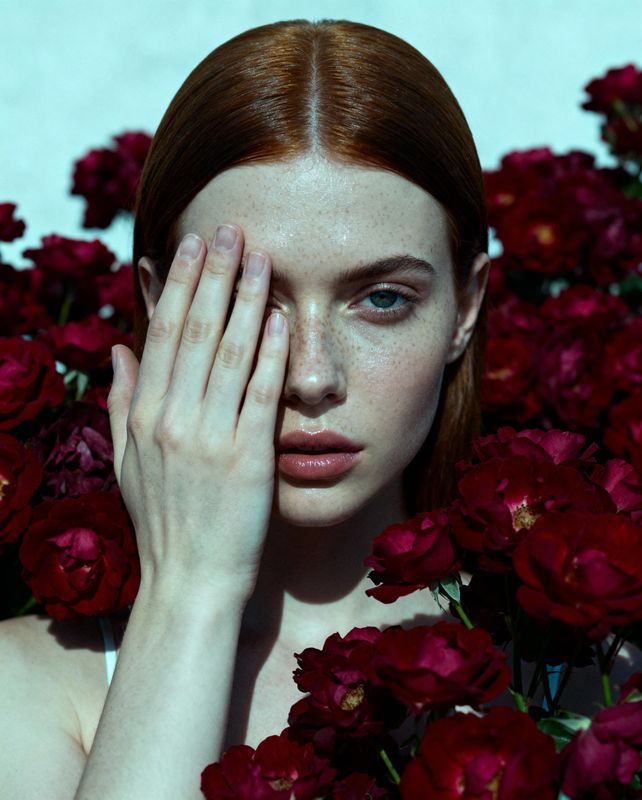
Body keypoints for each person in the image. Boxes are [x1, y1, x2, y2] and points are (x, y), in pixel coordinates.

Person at [0, 19, 489, 799]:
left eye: (383, 298)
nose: (313, 377)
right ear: (159, 304)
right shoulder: (25, 688)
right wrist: (189, 590)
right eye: (248, 300)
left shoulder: (584, 679)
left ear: (465, 308)